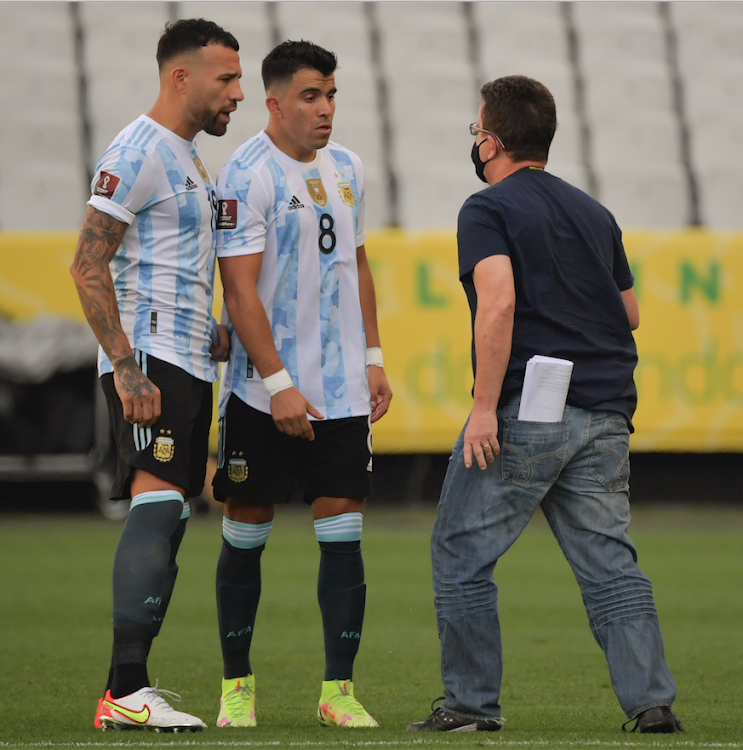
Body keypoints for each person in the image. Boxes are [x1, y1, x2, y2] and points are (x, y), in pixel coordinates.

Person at [407, 76, 684, 735]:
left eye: (476, 131)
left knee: (459, 550)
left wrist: (482, 407)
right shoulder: (594, 213)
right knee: (607, 560)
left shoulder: (486, 208)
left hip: (533, 405)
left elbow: (497, 301)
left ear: (492, 141)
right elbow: (629, 313)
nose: (474, 142)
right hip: (607, 407)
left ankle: (471, 706)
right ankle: (650, 704)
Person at [211, 40, 391, 729]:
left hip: (343, 390)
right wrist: (280, 382)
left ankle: (337, 693)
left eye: (332, 94)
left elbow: (359, 265)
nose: (325, 109)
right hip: (263, 392)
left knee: (343, 533)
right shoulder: (247, 174)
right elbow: (240, 288)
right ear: (276, 101)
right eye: (311, 95)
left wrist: (372, 354)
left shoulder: (349, 168)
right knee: (247, 529)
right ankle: (237, 688)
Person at [70, 19, 243, 732]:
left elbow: (161, 265)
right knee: (160, 507)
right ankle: (129, 688)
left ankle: (123, 692)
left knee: (171, 518)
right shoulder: (138, 152)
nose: (237, 93)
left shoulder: (186, 157)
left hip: (186, 356)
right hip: (152, 364)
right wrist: (125, 368)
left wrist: (210, 329)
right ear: (181, 78)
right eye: (225, 79)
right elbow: (87, 264)